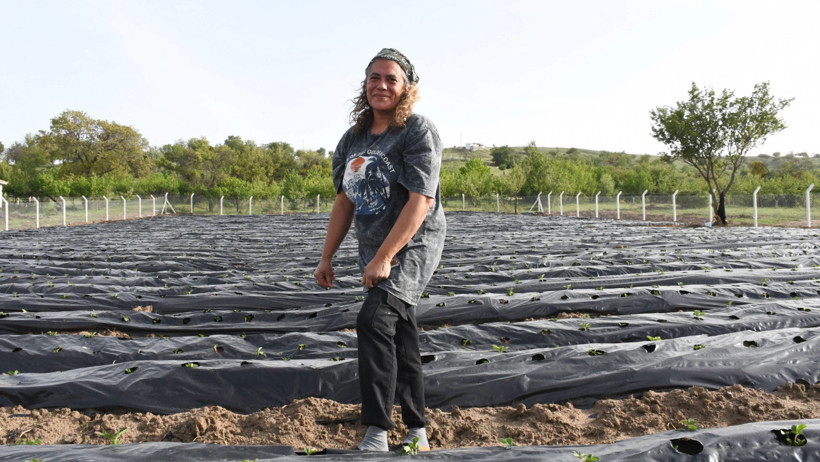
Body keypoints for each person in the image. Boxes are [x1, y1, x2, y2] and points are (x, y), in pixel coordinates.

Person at [313, 48, 445, 452]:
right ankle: (417, 430)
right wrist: (327, 256)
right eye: (375, 78)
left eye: (391, 79)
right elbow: (344, 202)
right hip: (374, 248)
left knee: (374, 320)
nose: (381, 85)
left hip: (412, 244)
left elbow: (420, 201)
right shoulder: (352, 139)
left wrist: (386, 257)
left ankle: (376, 432)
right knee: (399, 332)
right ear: (365, 84)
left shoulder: (416, 131)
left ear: (406, 88)